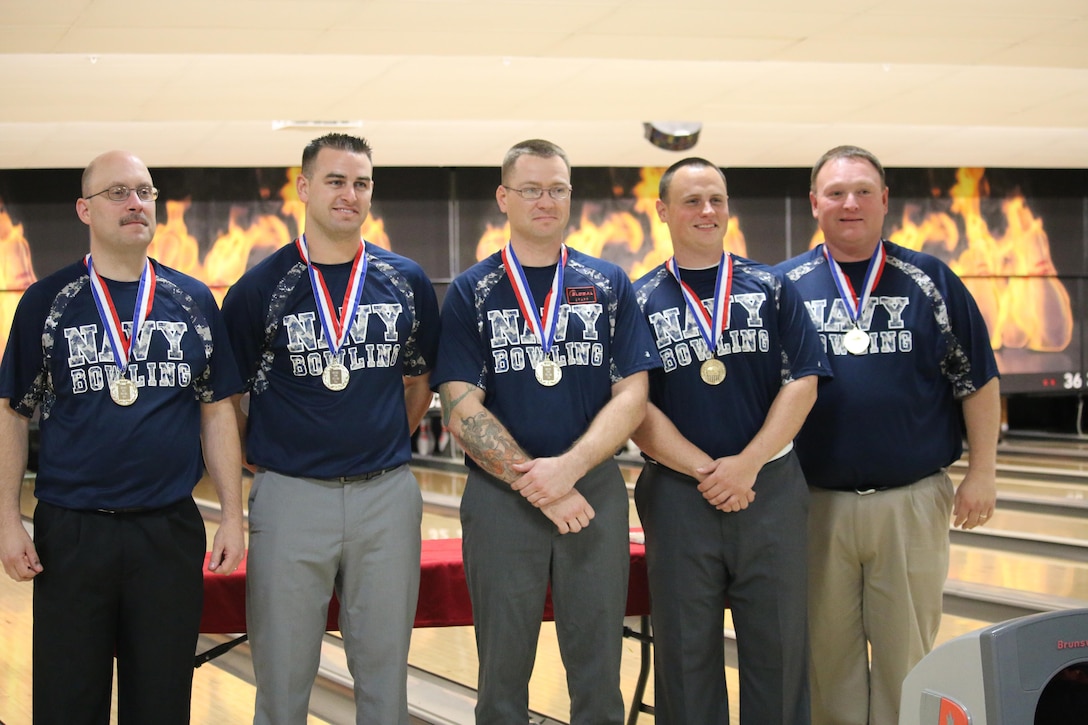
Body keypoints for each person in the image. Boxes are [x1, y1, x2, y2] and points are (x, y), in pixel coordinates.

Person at [0, 150, 245, 724]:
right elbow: (13, 414)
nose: (136, 203)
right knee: (68, 701)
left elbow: (216, 412)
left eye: (145, 191)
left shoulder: (193, 300)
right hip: (72, 532)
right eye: (118, 193)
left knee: (161, 702)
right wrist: (8, 520)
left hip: (168, 529)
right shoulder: (46, 302)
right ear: (84, 209)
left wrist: (232, 514)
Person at [432, 139, 659, 724]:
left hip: (595, 493)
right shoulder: (472, 291)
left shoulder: (608, 282)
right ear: (504, 197)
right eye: (531, 189)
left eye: (557, 188)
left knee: (598, 672)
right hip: (502, 498)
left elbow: (633, 394)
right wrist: (541, 484)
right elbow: (459, 406)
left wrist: (569, 470)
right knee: (502, 678)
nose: (545, 200)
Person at [776, 145, 1001, 725]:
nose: (849, 203)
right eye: (835, 193)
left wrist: (982, 473)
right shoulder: (783, 286)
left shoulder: (931, 279)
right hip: (813, 505)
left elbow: (976, 380)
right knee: (828, 664)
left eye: (862, 191)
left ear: (883, 202)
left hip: (910, 501)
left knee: (909, 660)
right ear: (814, 204)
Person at [221, 133, 440, 725]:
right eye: (336, 181)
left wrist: (383, 440)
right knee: (283, 680)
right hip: (291, 497)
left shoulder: (405, 280)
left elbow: (418, 381)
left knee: (385, 678)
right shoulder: (259, 288)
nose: (350, 194)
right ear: (304, 188)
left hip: (386, 497)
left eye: (361, 183)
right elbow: (224, 398)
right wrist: (262, 459)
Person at [630, 158, 829, 724]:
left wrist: (746, 465)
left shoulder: (770, 286)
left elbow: (803, 384)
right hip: (676, 494)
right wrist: (706, 470)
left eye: (716, 199)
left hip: (770, 490)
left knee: (780, 650)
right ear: (663, 211)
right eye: (692, 201)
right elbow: (634, 406)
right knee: (684, 654)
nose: (707, 211)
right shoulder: (640, 299)